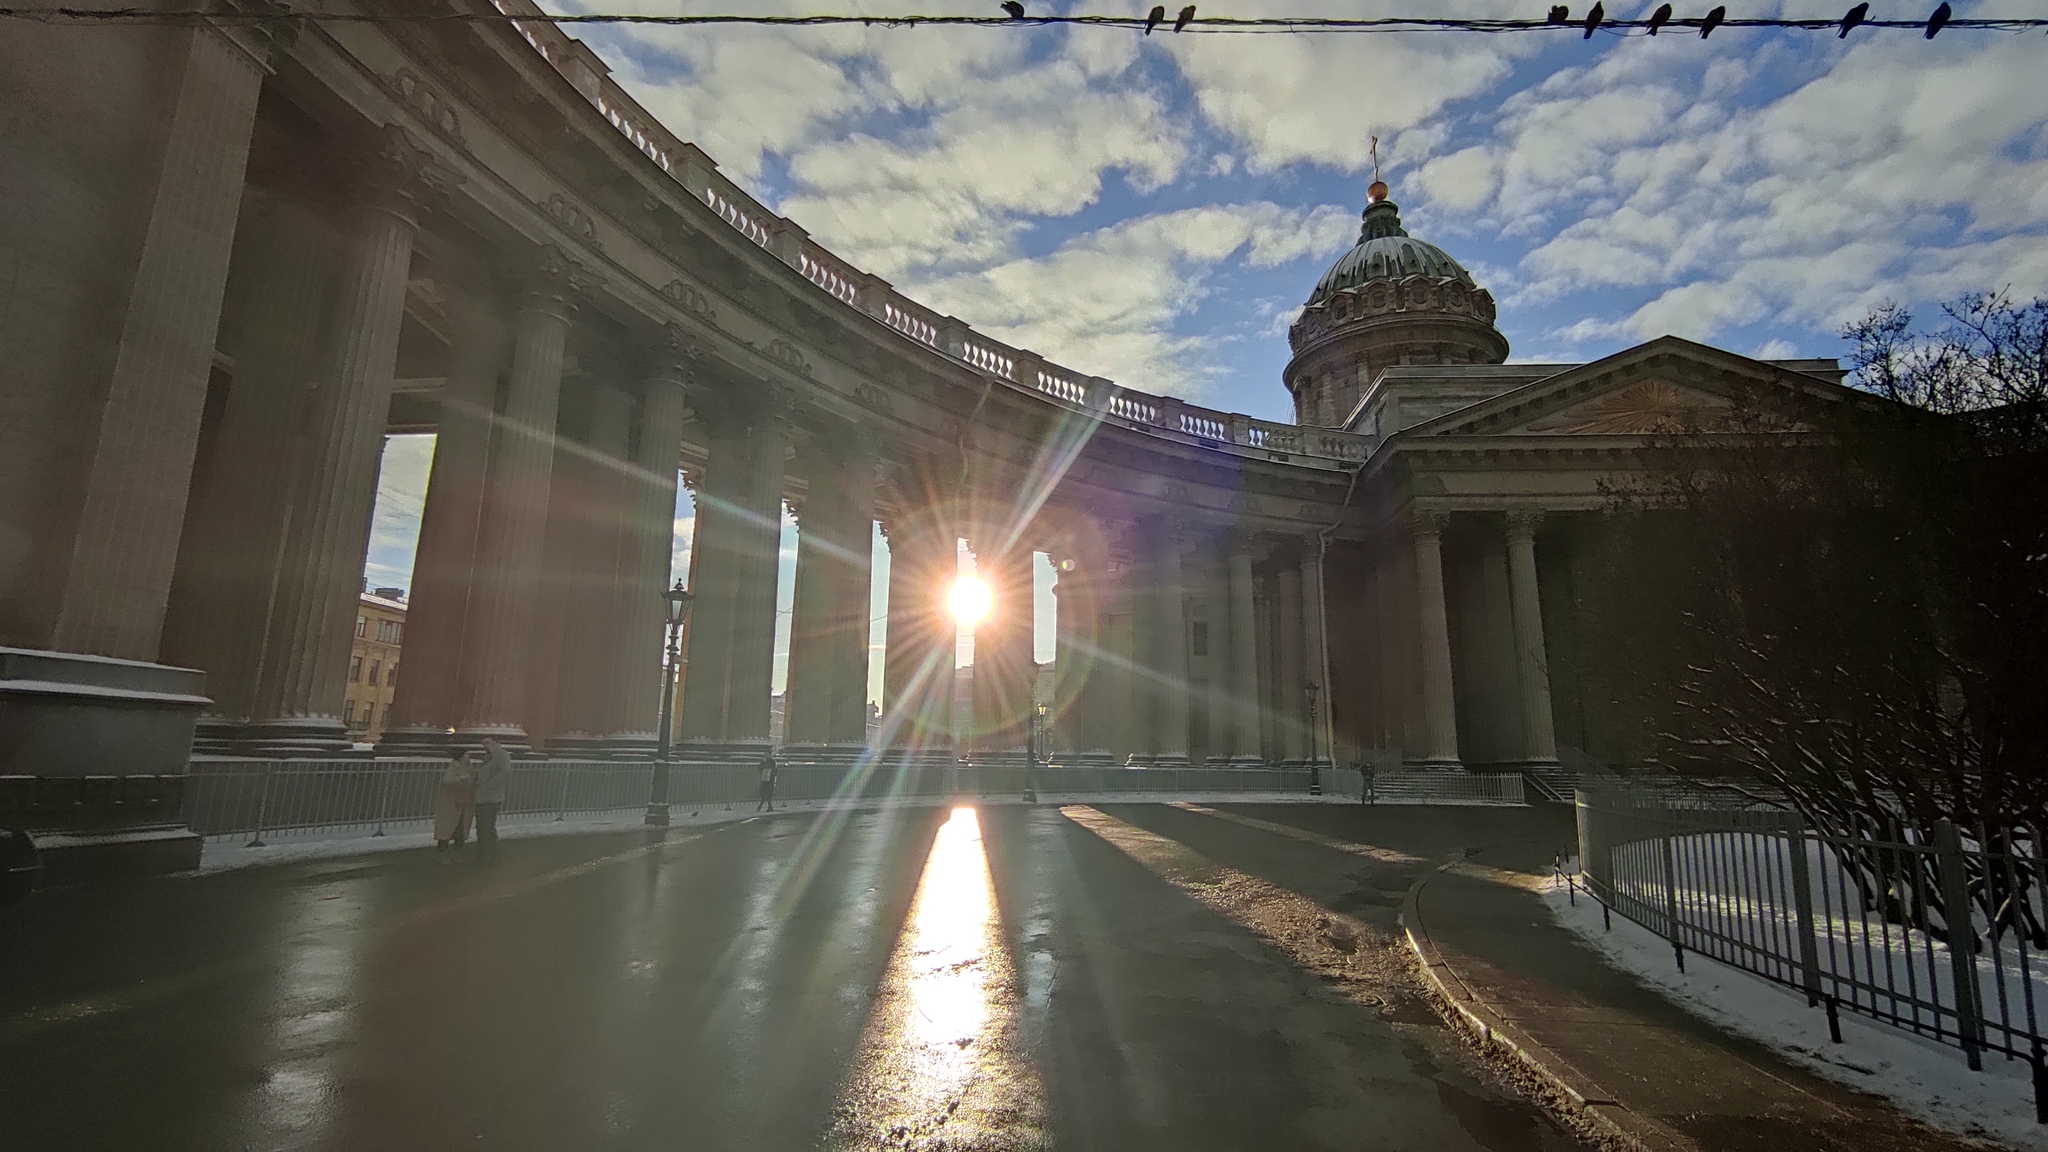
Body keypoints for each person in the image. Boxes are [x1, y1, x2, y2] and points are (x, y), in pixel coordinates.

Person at [473, 736, 511, 858]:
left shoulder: (501, 754)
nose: (485, 745)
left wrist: (491, 784)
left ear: (496, 742)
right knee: (481, 826)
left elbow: (505, 772)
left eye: (487, 742)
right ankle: (485, 851)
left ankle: (490, 853)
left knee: (487, 826)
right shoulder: (489, 756)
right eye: (483, 743)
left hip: (493, 797)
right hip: (482, 796)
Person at [432, 751, 476, 857]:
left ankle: (456, 854)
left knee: (460, 830)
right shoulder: (454, 767)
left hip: (463, 803)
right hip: (452, 803)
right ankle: (443, 854)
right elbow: (446, 780)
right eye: (465, 754)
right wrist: (460, 780)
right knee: (447, 830)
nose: (468, 757)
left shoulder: (469, 767)